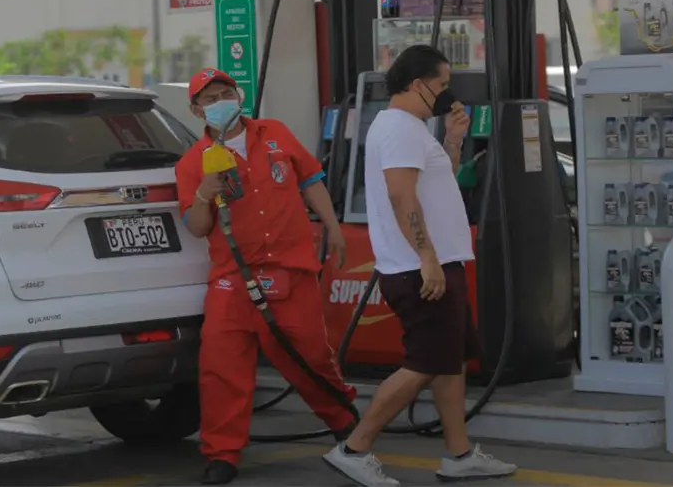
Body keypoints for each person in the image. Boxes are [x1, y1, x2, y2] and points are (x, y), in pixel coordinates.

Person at [322, 45, 516, 486]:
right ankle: (354, 448)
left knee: (450, 361)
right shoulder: (398, 129)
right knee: (425, 363)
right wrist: (426, 257)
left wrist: (452, 140)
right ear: (417, 84)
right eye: (442, 84)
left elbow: (434, 180)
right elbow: (401, 195)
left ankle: (459, 454)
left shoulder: (411, 129)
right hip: (419, 268)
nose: (447, 92)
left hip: (436, 264)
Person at [175, 68, 357, 485]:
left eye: (226, 92)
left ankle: (345, 422)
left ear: (238, 95)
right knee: (221, 366)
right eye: (209, 98)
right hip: (232, 279)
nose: (220, 101)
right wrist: (205, 191)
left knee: (310, 355)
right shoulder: (192, 162)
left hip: (289, 270)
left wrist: (332, 227)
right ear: (195, 109)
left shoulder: (274, 133)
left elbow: (311, 179)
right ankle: (222, 453)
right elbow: (197, 226)